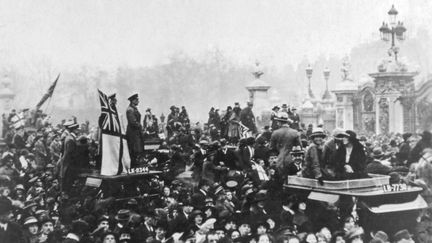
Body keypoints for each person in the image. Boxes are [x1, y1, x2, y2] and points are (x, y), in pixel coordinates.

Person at [59, 120, 79, 192]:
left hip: (68, 162)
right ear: (73, 130)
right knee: (67, 180)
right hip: (69, 163)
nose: (78, 131)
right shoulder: (70, 139)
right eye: (77, 129)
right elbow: (69, 153)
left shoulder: (70, 137)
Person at [126, 94, 144, 167]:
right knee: (134, 149)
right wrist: (140, 126)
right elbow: (133, 122)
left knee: (136, 149)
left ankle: (136, 164)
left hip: (136, 132)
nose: (138, 101)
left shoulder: (134, 109)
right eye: (137, 100)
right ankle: (133, 165)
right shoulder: (130, 109)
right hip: (133, 133)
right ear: (133, 101)